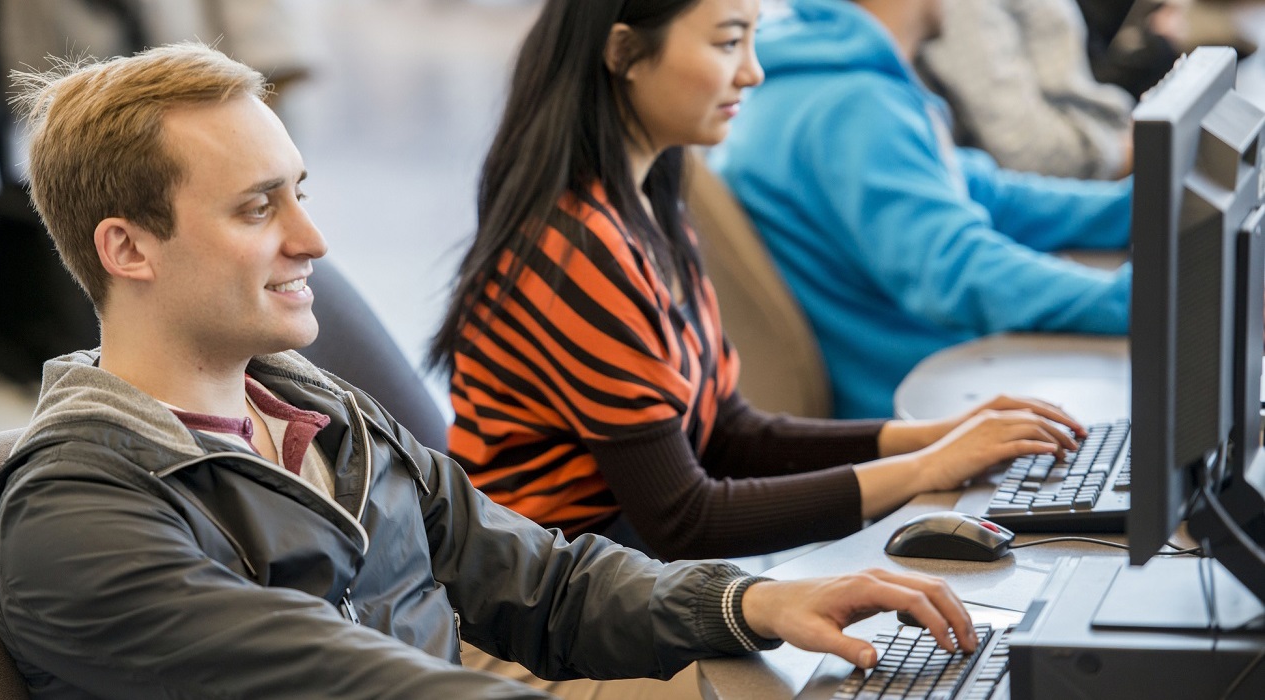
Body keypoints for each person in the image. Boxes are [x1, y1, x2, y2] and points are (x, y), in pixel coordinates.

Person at [0, 41, 979, 699]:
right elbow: (363, 687)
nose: (314, 237)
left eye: (299, 191)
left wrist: (750, 604)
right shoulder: (79, 518)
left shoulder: (322, 412)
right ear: (127, 248)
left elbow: (546, 580)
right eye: (259, 207)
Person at [430, 0, 1082, 563]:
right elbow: (685, 518)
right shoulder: (577, 250)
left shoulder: (650, 202)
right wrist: (923, 470)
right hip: (558, 611)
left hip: (630, 580)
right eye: (727, 41)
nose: (753, 70)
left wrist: (939, 435)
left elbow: (728, 432)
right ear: (625, 53)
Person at [716, 0, 1134, 420]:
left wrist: (1136, 208)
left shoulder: (824, 79)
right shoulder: (853, 105)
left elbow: (981, 192)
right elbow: (957, 269)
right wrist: (1131, 300)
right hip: (921, 408)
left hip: (939, 384)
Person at [916, 0, 1135, 180]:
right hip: (1072, 175)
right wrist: (1122, 154)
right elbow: (1024, 148)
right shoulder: (966, 9)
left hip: (1102, 142)